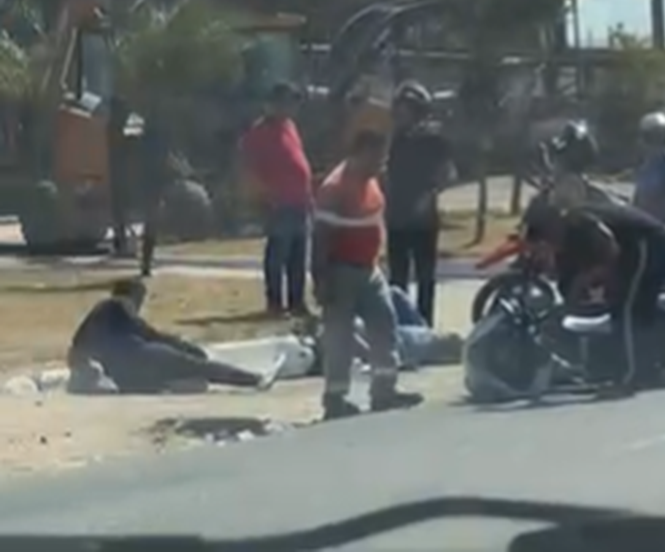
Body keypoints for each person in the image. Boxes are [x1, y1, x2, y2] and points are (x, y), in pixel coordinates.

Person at [312, 130, 424, 420]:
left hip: (369, 269)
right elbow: (321, 237)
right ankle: (335, 398)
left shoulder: (372, 183)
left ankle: (384, 391)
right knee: (340, 336)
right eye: (377, 157)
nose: (381, 163)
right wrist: (320, 279)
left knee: (384, 322)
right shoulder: (334, 188)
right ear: (360, 153)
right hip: (340, 271)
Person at [522, 200, 665, 396]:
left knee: (627, 310)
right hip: (630, 250)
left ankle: (629, 379)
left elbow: (611, 250)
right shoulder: (565, 237)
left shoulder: (581, 222)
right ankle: (642, 368)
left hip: (648, 243)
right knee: (628, 311)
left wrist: (587, 279)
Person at [67, 278, 279, 394]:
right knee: (199, 366)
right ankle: (254, 380)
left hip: (127, 378)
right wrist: (184, 346)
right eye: (140, 299)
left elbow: (77, 350)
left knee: (188, 375)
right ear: (131, 296)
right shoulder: (119, 305)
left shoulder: (96, 318)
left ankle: (178, 383)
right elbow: (150, 335)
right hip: (143, 357)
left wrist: (87, 373)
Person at [383, 80, 455, 326]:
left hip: (423, 219)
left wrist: (429, 195)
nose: (400, 115)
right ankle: (400, 323)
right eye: (398, 109)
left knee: (425, 276)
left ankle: (425, 323)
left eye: (405, 110)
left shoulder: (434, 140)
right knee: (397, 277)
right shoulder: (396, 138)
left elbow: (447, 174)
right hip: (396, 217)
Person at [239, 82, 313, 316]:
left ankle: (297, 301)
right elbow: (249, 167)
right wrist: (263, 195)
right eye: (286, 101)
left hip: (300, 202)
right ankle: (274, 302)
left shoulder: (290, 126)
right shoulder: (259, 132)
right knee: (277, 255)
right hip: (279, 204)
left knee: (299, 256)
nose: (290, 106)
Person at [138, 111, 172, 277]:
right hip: (154, 186)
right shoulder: (159, 145)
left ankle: (146, 261)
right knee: (152, 225)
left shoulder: (144, 144)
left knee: (150, 225)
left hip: (148, 185)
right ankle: (146, 262)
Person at [106, 95, 132, 256]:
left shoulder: (112, 127)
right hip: (119, 174)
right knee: (120, 212)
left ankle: (122, 244)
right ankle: (122, 244)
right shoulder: (114, 128)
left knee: (120, 212)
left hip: (118, 173)